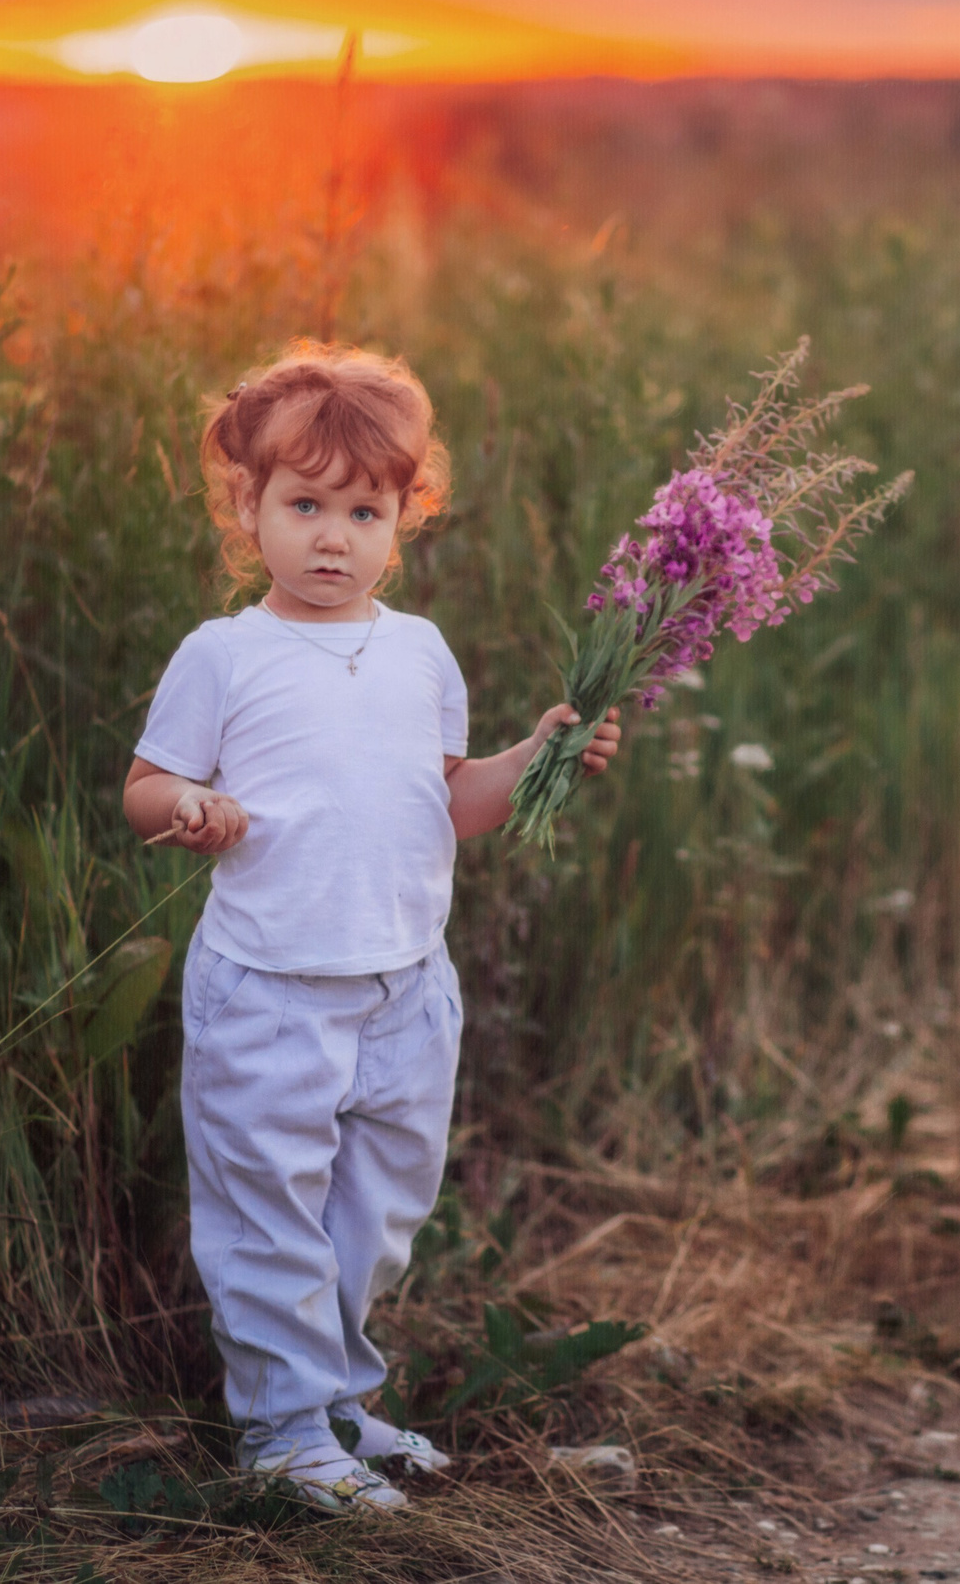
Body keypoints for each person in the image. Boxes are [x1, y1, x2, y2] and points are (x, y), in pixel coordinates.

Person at [122, 344, 620, 1513]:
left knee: (377, 1209)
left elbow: (448, 801)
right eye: (304, 506)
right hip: (270, 985)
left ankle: (338, 1393)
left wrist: (538, 756)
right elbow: (146, 788)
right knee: (268, 1209)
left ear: (408, 515)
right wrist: (186, 808)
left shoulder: (419, 653)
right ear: (248, 509)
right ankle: (281, 1430)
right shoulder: (225, 654)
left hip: (405, 984)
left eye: (364, 509)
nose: (332, 537)